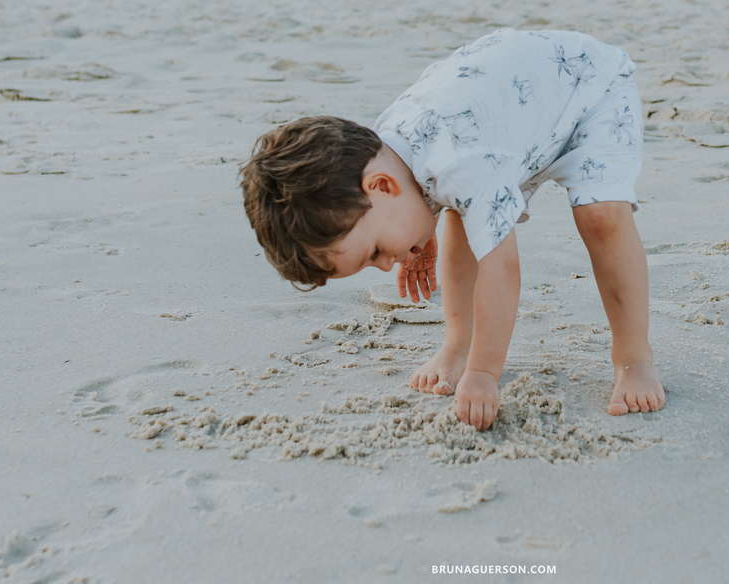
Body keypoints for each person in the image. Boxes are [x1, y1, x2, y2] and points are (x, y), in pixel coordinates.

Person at [239, 29, 665, 430]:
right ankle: (458, 343)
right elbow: (427, 195)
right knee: (463, 213)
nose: (389, 266)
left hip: (588, 89)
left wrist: (484, 374)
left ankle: (633, 357)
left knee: (600, 216)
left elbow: (502, 270)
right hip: (518, 109)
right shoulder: (387, 155)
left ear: (381, 187)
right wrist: (421, 236)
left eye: (374, 253)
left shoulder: (461, 162)